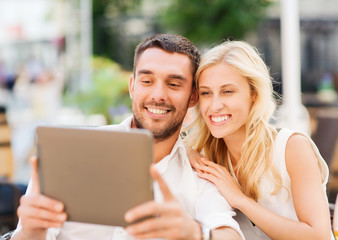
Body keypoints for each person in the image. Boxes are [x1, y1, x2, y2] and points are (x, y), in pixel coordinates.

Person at [10, 34, 244, 240]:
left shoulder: (201, 178)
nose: (158, 95)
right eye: (146, 81)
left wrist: (195, 233)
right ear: (132, 87)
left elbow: (230, 234)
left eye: (173, 84)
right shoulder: (69, 155)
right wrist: (30, 233)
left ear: (193, 97)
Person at [184, 40, 334, 240]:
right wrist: (185, 151)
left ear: (253, 94)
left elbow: (319, 236)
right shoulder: (207, 156)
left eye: (227, 91)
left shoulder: (291, 147)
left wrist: (240, 200)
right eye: (206, 93)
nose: (215, 105)